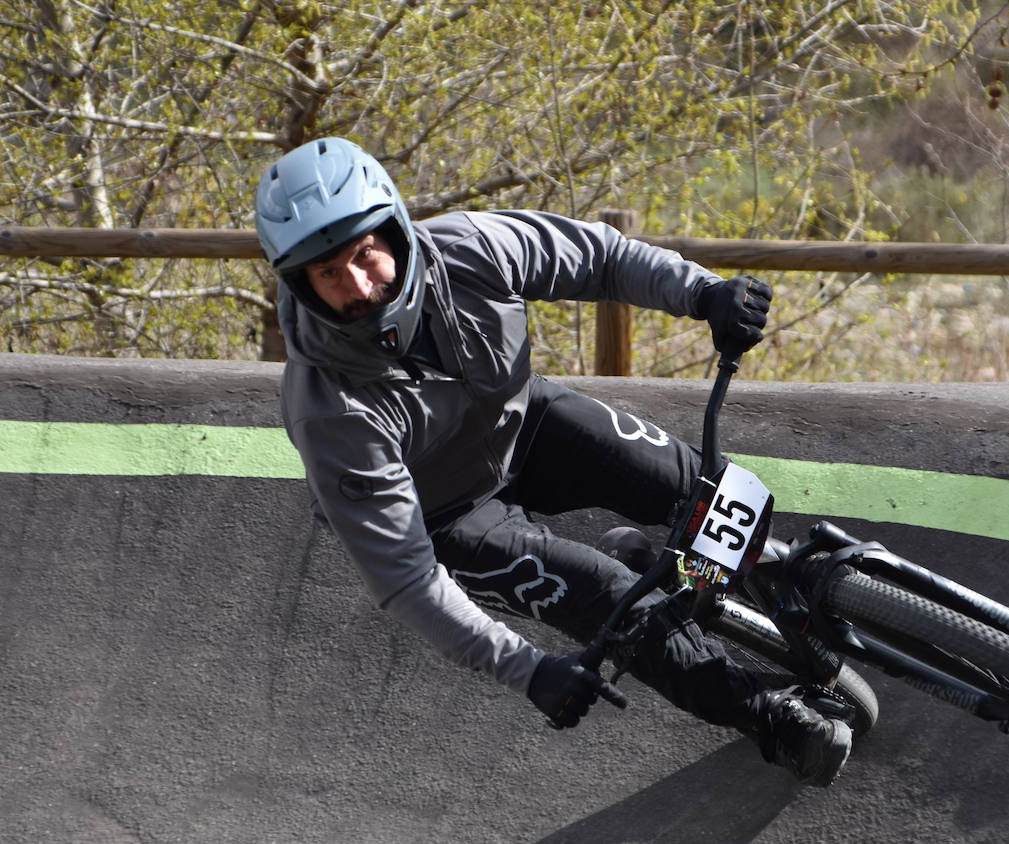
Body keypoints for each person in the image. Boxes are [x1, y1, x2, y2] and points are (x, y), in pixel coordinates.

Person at [256, 137, 852, 785]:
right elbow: (407, 580)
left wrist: (704, 294)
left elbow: (602, 258)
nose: (361, 287)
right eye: (330, 275)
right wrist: (528, 669)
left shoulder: (470, 248)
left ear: (395, 233)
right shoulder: (329, 410)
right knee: (609, 598)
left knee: (699, 489)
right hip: (452, 516)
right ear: (301, 284)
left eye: (366, 257)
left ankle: (780, 574)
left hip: (527, 421)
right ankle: (769, 717)